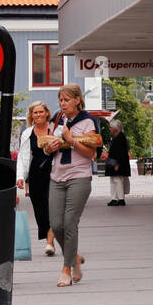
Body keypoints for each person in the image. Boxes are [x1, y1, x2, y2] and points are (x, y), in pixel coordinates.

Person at [45, 83, 97, 287]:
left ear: (77, 100)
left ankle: (66, 270)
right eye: (60, 100)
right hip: (57, 176)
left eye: (66, 100)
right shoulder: (57, 119)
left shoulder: (88, 121)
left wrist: (71, 140)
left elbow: (92, 153)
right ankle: (73, 257)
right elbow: (46, 147)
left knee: (69, 223)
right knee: (56, 224)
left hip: (79, 176)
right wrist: (50, 147)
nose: (62, 103)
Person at [16, 101, 57, 257]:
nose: (38, 115)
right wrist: (20, 176)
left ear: (47, 113)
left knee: (51, 207)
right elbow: (23, 156)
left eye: (41, 112)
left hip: (54, 173)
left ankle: (50, 243)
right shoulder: (27, 133)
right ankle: (49, 239)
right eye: (35, 112)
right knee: (40, 210)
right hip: (35, 175)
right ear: (31, 115)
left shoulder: (56, 130)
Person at [106, 119, 131, 206]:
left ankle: (120, 199)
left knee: (117, 180)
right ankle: (115, 198)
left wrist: (117, 164)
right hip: (115, 162)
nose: (109, 129)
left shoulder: (120, 138)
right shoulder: (119, 137)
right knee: (114, 180)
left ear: (115, 128)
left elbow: (120, 152)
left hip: (116, 163)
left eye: (110, 127)